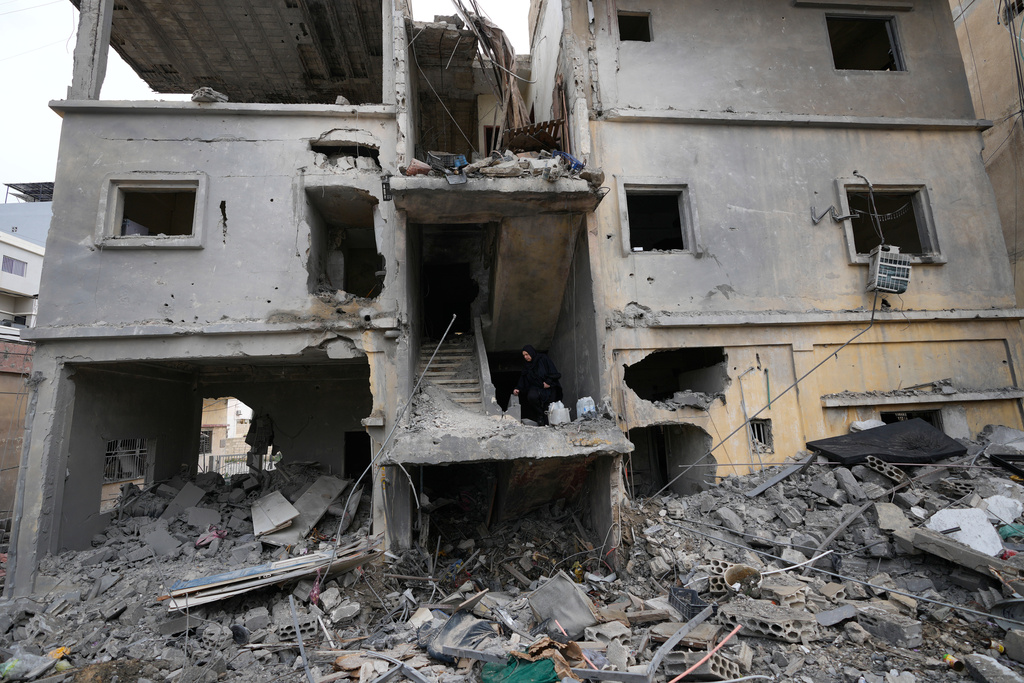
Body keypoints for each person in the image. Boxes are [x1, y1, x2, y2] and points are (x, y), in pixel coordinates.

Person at [513, 345, 561, 425]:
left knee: (548, 406)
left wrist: (548, 382)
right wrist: (518, 388)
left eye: (527, 354)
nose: (525, 357)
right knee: (532, 397)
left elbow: (553, 372)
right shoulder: (526, 365)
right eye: (524, 355)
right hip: (536, 386)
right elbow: (523, 377)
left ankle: (547, 424)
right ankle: (540, 415)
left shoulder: (543, 359)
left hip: (549, 386)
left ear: (531, 353)